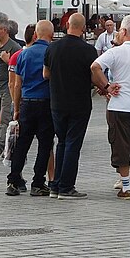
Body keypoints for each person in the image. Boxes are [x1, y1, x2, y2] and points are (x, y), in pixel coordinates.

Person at [92, 15, 130, 199]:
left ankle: (126, 186)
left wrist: (106, 86)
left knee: (121, 145)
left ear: (124, 31)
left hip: (120, 105)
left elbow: (95, 67)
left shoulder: (116, 52)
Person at [43, 14, 97, 200]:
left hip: (57, 101)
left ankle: (55, 185)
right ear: (83, 28)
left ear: (67, 25)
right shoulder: (88, 50)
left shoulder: (53, 47)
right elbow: (93, 75)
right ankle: (66, 186)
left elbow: (45, 74)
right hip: (79, 102)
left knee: (62, 141)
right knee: (73, 143)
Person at [5, 20, 55, 197]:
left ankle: (13, 179)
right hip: (46, 102)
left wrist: (17, 107)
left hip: (27, 101)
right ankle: (38, 182)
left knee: (22, 143)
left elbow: (17, 84)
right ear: (51, 34)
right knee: (45, 144)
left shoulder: (23, 54)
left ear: (35, 34)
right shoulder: (51, 52)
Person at [0, 20, 21, 161]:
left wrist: (8, 60)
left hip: (9, 85)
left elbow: (19, 68)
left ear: (5, 31)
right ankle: (6, 143)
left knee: (4, 116)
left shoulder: (14, 47)